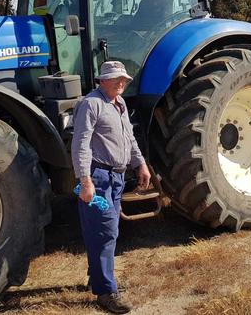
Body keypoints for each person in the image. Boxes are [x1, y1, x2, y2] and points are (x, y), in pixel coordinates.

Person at [71, 60, 151, 314]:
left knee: (108, 228)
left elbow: (129, 137)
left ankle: (98, 278)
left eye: (124, 79)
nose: (121, 82)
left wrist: (141, 163)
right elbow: (80, 144)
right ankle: (105, 291)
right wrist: (85, 181)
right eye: (116, 78)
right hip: (98, 180)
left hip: (116, 180)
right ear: (102, 80)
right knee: (105, 232)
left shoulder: (120, 104)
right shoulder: (91, 104)